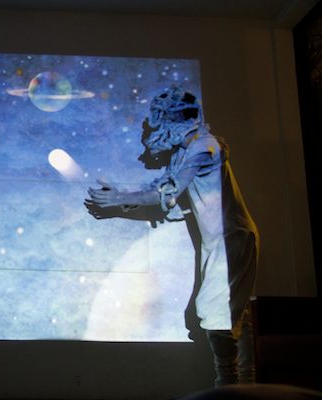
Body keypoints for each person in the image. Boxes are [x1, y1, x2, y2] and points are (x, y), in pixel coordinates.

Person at [86, 85, 259, 387]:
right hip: (220, 240)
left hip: (230, 239)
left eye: (161, 121)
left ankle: (231, 385)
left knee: (216, 309)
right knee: (230, 310)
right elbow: (163, 192)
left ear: (175, 121)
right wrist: (122, 198)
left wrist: (118, 199)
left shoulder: (205, 148)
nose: (156, 131)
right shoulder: (188, 151)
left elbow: (165, 193)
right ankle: (240, 384)